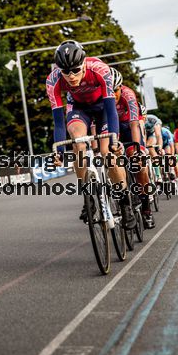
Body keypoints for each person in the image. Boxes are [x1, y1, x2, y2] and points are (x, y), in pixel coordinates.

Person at [46, 40, 135, 229]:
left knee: (107, 153)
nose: (71, 76)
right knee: (78, 142)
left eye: (76, 70)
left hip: (103, 108)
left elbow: (112, 112)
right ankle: (88, 197)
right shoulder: (53, 80)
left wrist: (115, 140)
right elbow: (59, 121)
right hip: (79, 109)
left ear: (84, 63)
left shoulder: (100, 70)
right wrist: (59, 152)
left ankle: (125, 200)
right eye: (65, 71)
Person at [111, 68, 155, 229]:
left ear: (120, 88)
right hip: (113, 129)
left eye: (115, 90)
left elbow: (135, 124)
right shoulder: (102, 98)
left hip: (129, 128)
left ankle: (146, 209)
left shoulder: (128, 95)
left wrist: (137, 149)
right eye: (110, 90)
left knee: (140, 165)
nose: (113, 94)